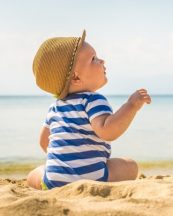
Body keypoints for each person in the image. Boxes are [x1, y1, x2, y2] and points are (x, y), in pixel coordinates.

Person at [27, 30, 151, 190]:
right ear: (76, 78)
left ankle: (45, 180)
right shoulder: (93, 100)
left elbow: (44, 142)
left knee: (35, 174)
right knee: (130, 166)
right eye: (94, 59)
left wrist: (66, 161)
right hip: (93, 178)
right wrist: (131, 105)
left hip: (54, 181)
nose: (102, 60)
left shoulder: (55, 107)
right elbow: (108, 131)